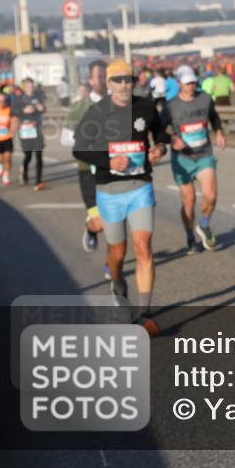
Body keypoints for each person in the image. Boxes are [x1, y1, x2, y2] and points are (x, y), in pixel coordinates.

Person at [73, 59, 168, 327]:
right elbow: (80, 148)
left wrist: (159, 148)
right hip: (109, 190)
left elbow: (161, 134)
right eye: (118, 80)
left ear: (134, 81)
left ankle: (145, 312)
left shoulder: (146, 107)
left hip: (140, 186)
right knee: (117, 254)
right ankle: (117, 285)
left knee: (143, 247)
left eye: (128, 79)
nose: (123, 85)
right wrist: (107, 160)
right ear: (109, 84)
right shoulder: (97, 111)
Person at [164, 65, 226, 253]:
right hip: (182, 159)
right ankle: (190, 236)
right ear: (179, 83)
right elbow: (159, 130)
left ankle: (204, 225)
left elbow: (214, 118)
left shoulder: (205, 99)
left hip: (204, 154)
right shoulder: (171, 106)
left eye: (192, 82)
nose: (190, 86)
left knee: (211, 196)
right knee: (189, 201)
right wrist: (171, 139)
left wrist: (219, 132)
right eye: (186, 83)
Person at [65, 59, 107, 254]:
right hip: (87, 171)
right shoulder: (79, 108)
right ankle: (91, 229)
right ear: (90, 80)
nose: (103, 81)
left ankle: (112, 265)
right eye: (99, 77)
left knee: (116, 221)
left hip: (114, 169)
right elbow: (65, 138)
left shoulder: (119, 105)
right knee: (100, 222)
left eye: (106, 77)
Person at [14, 77, 47, 190]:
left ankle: (39, 180)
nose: (30, 88)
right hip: (25, 129)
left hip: (36, 128)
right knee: (28, 155)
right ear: (24, 87)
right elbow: (13, 111)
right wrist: (23, 110)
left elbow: (43, 109)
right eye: (28, 86)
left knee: (39, 154)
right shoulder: (19, 99)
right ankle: (24, 172)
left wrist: (40, 108)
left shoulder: (37, 97)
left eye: (31, 86)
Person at [0, 92, 14, 186]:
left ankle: (6, 176)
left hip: (7, 137)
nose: (1, 102)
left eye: (3, 101)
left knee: (8, 158)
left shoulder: (9, 110)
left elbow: (13, 121)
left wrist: (12, 128)